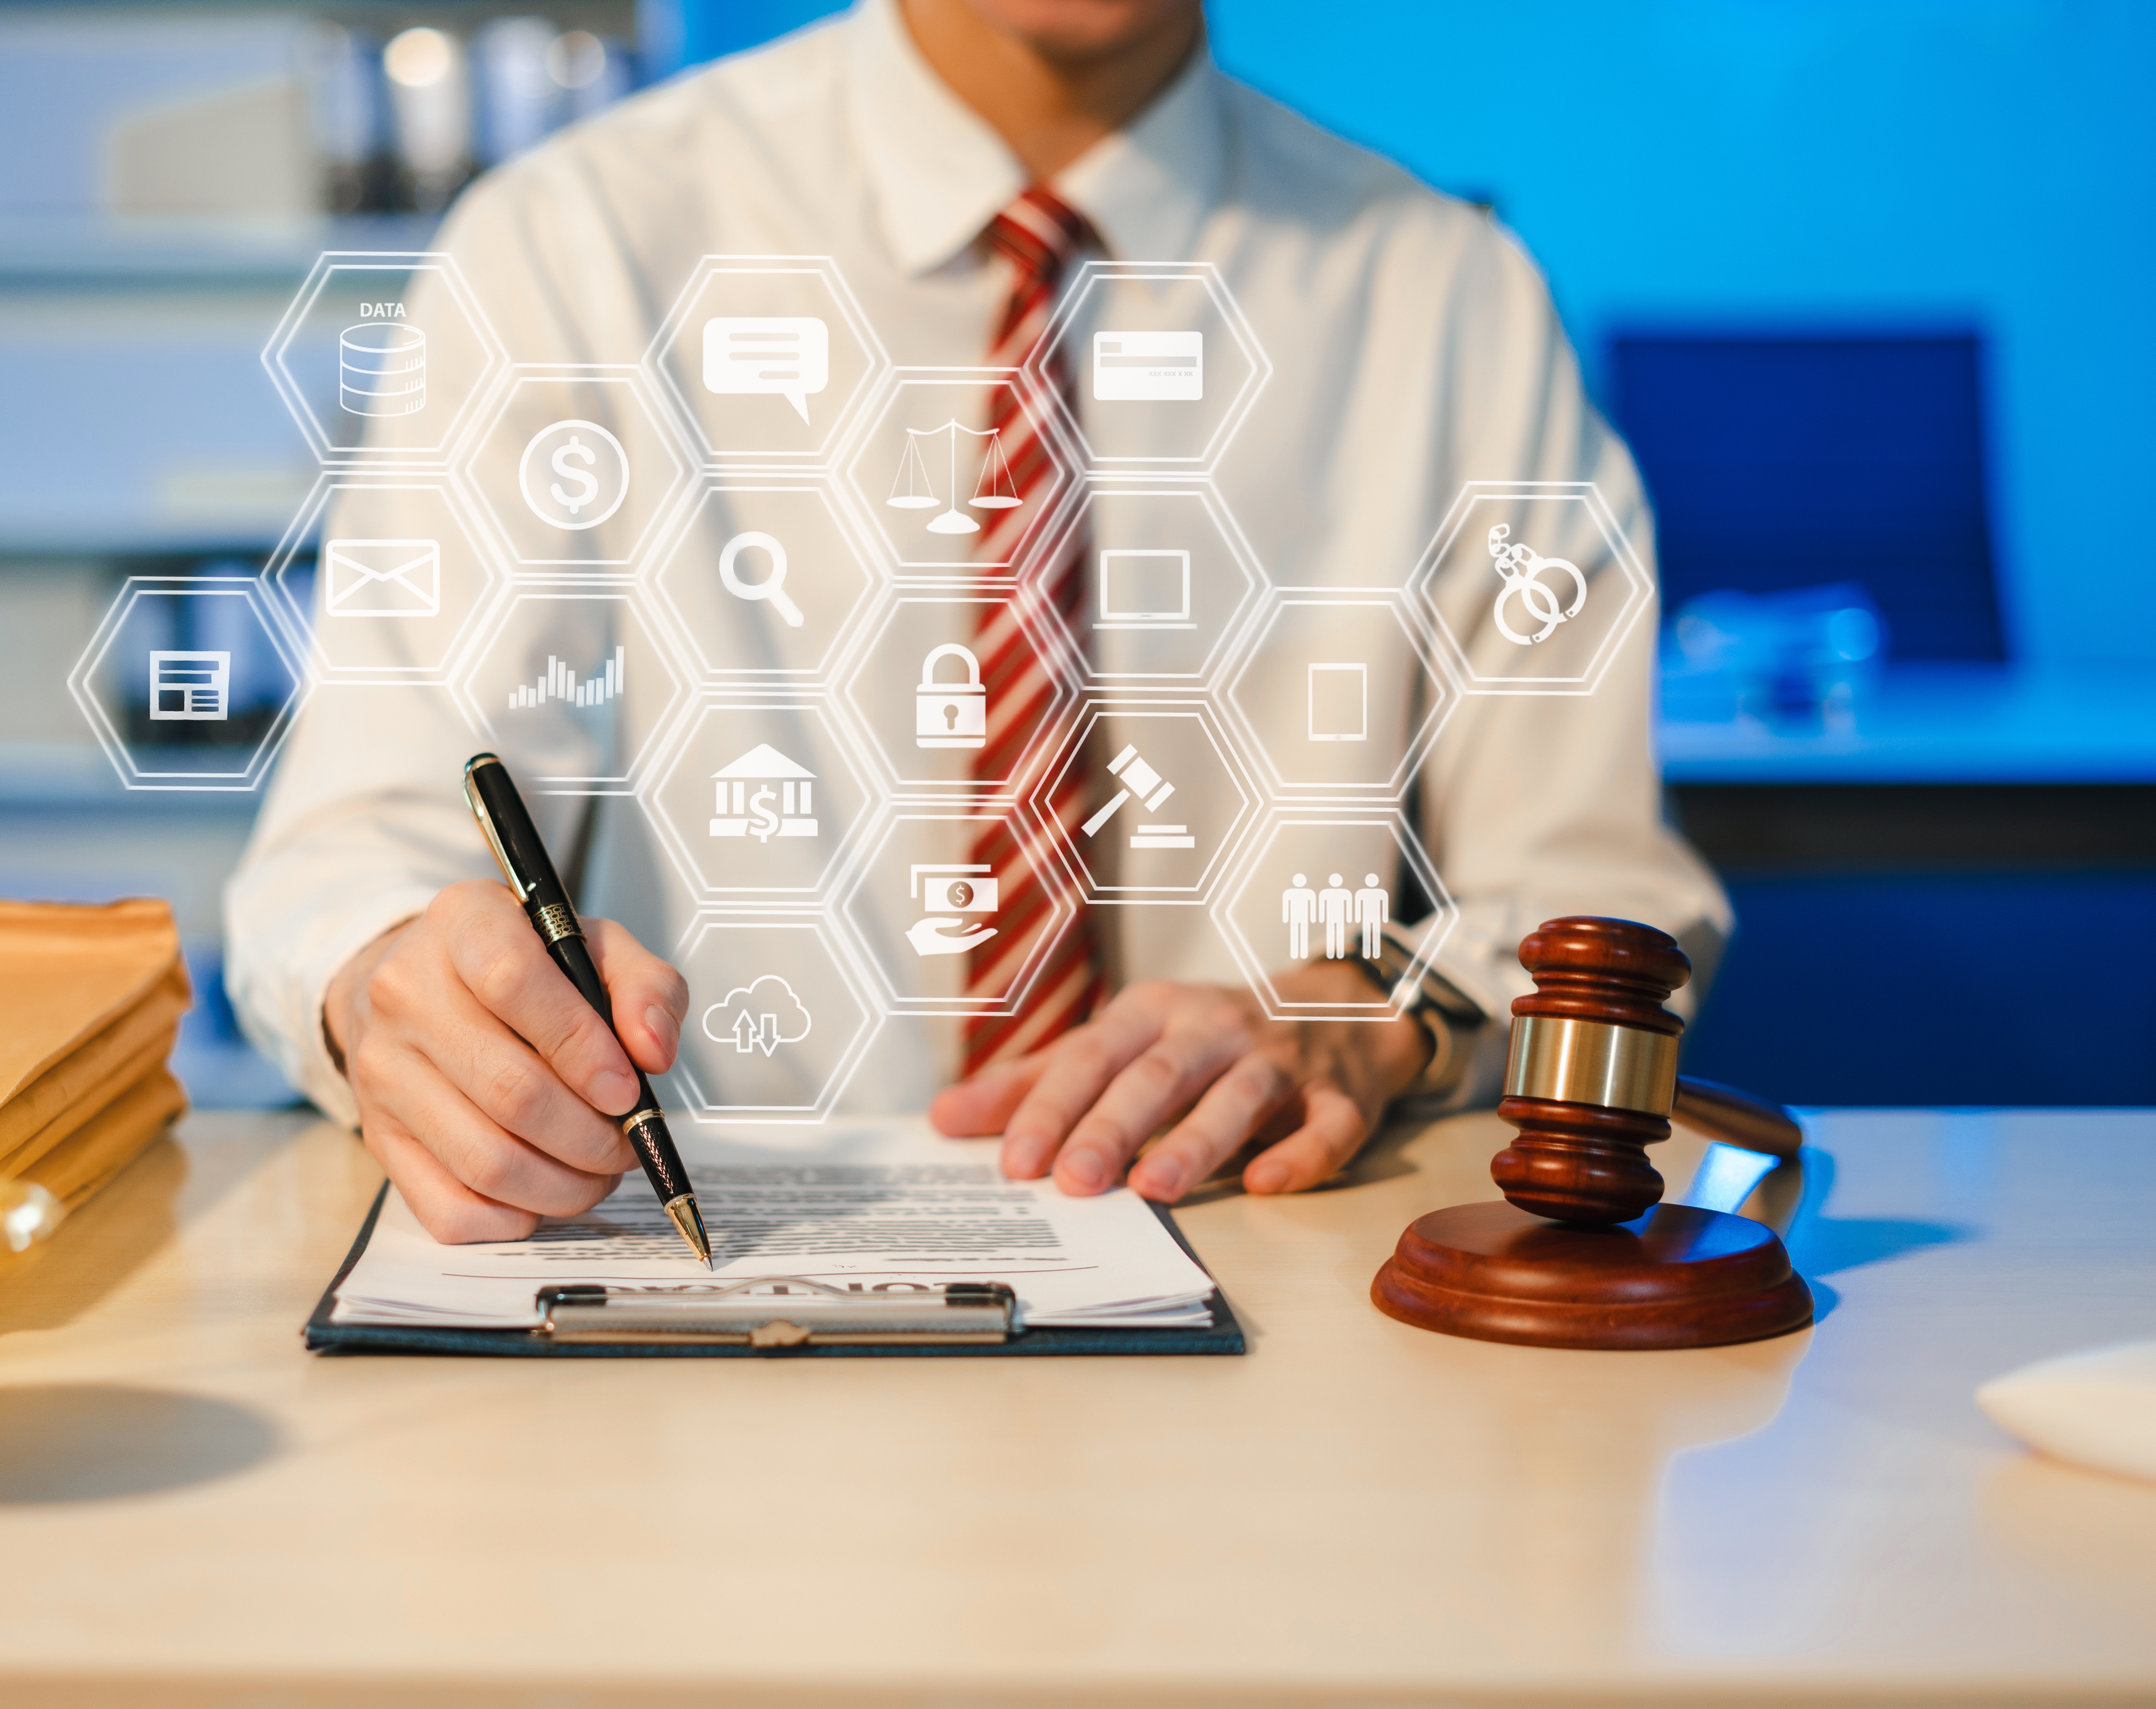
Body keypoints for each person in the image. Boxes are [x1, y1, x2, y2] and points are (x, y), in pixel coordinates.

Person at [227, 0, 1730, 1244]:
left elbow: (1600, 907)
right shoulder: (567, 248)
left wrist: (1378, 1017)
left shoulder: (1448, 300)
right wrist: (395, 991)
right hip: (712, 1305)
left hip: (1271, 1286)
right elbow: (360, 855)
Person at [1280, 874, 1317, 963]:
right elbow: (1286, 906)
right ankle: (1295, 952)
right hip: (1295, 917)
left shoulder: (1309, 893)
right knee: (1295, 934)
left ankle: (1301, 953)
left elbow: (1312, 905)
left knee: (1304, 933)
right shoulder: (1289, 893)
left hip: (1304, 917)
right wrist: (1286, 917)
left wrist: (1312, 917)